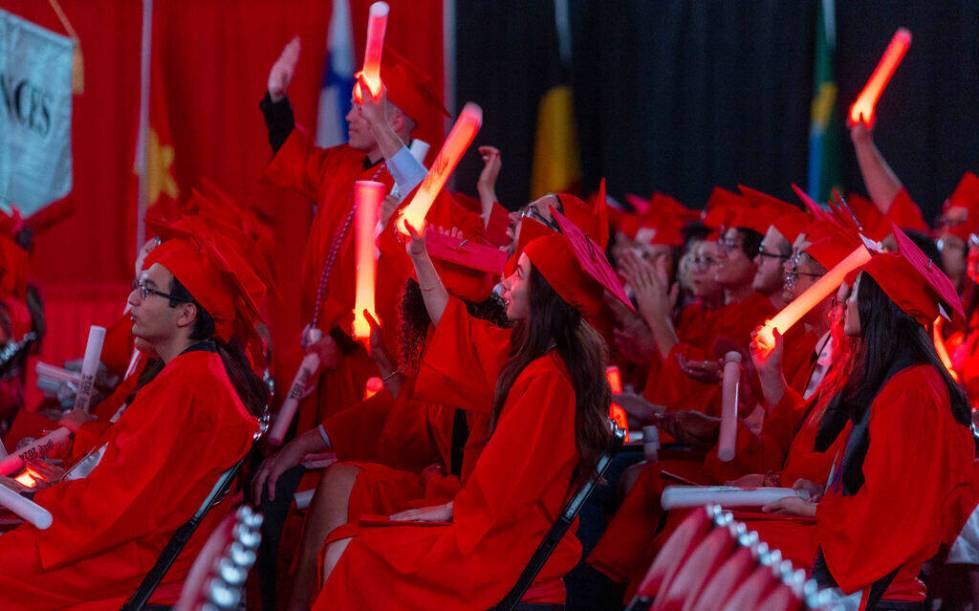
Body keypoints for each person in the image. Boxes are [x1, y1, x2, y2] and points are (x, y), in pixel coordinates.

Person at [310, 211, 625, 609]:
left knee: (354, 553)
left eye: (519, 275)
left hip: (501, 550)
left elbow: (508, 489)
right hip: (493, 530)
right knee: (350, 542)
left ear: (544, 295)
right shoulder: (532, 358)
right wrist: (421, 257)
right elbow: (459, 332)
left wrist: (447, 510)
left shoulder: (549, 380)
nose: (505, 284)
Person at [0, 231, 266, 609]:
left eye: (147, 290)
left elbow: (114, 503)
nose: (131, 300)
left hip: (126, 565)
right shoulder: (195, 373)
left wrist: (35, 496)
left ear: (186, 314)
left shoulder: (189, 387)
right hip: (131, 546)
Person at [762, 227, 975, 608]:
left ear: (880, 306)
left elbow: (891, 510)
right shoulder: (897, 379)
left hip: (881, 574)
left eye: (855, 291)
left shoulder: (912, 390)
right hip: (861, 545)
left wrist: (818, 509)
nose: (843, 300)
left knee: (756, 559)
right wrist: (821, 493)